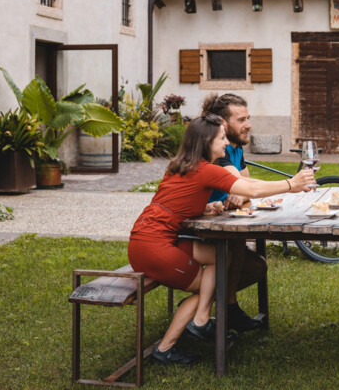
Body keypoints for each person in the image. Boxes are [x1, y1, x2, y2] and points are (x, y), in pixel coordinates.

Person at [128, 114, 314, 365]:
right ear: (206, 142)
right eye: (222, 138)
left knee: (220, 256)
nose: (226, 143)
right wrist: (291, 183)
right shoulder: (207, 171)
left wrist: (206, 208)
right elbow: (251, 189)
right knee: (208, 286)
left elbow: (173, 205)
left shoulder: (180, 166)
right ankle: (169, 345)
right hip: (153, 247)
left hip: (147, 239)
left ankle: (201, 319)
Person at [200, 93, 269, 333]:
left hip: (223, 226)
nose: (248, 124)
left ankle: (226, 308)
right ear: (223, 124)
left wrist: (242, 192)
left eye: (248, 118)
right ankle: (211, 305)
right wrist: (292, 186)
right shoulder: (217, 151)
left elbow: (245, 190)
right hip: (200, 231)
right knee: (251, 263)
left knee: (255, 263)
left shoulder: (235, 149)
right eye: (241, 120)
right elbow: (247, 187)